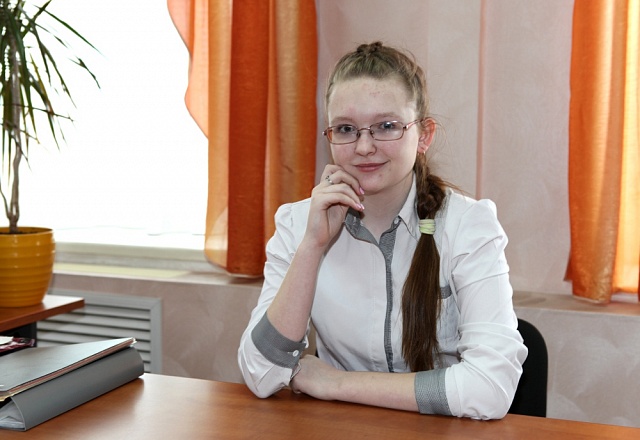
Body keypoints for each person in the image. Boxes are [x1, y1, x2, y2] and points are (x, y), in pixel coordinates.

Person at [238, 41, 527, 420]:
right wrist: (311, 246)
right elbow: (261, 374)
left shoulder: (468, 225)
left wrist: (337, 384)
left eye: (386, 126)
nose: (364, 146)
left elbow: (490, 389)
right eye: (346, 129)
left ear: (424, 135)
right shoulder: (297, 224)